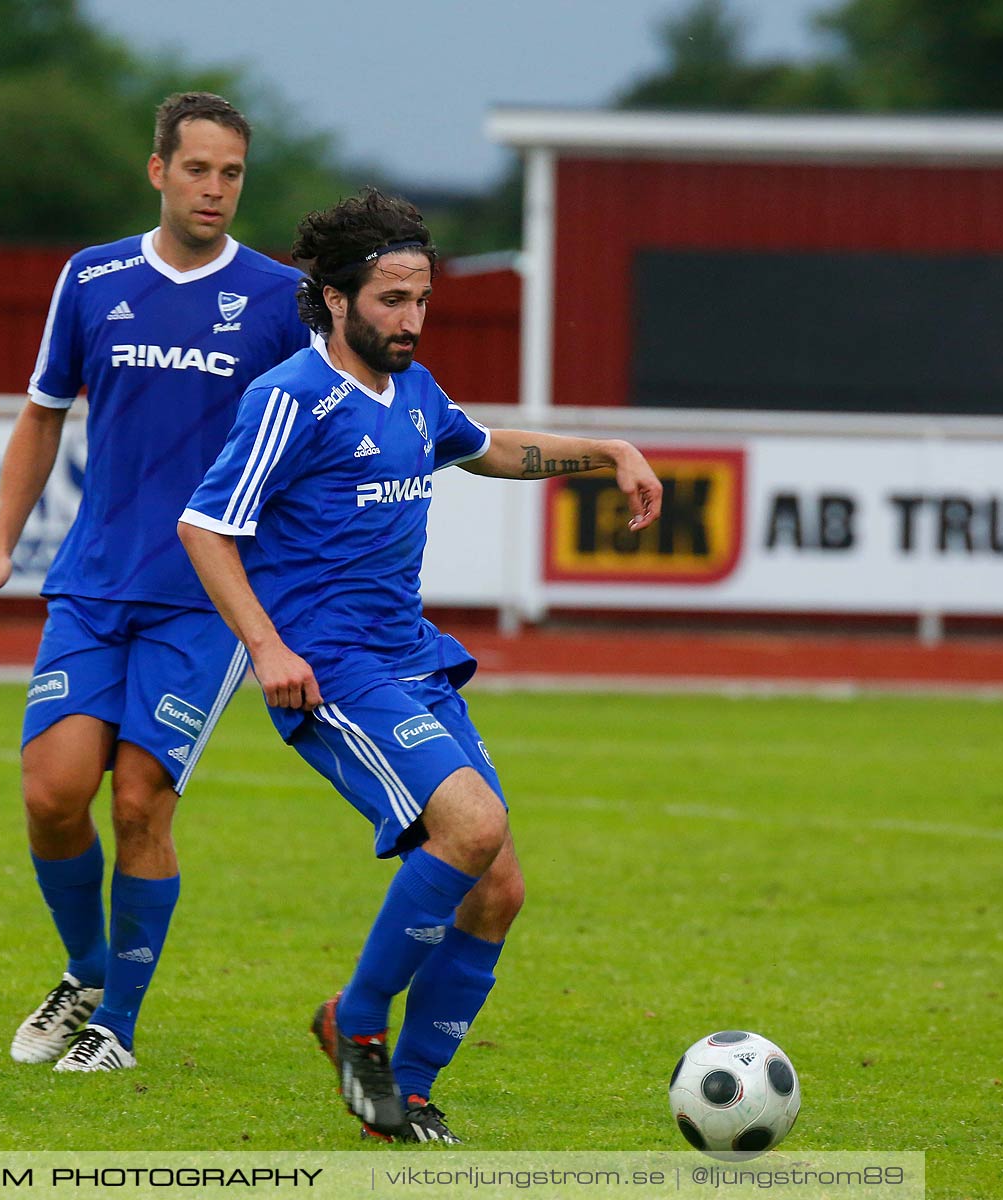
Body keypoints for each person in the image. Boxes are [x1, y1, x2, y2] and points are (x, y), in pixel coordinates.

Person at [178, 189, 662, 1140]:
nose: (410, 320)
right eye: (392, 300)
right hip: (331, 671)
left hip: (410, 659)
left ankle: (408, 1090)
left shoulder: (416, 391)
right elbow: (205, 527)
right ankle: (353, 1021)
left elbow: (488, 450)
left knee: (501, 888)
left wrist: (604, 452)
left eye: (421, 300)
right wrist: (267, 647)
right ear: (333, 297)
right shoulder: (291, 398)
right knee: (473, 824)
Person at [0, 92, 308, 1073]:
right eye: (197, 169)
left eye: (232, 173)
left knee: (141, 802)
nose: (215, 189)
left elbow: (317, 432)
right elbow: (41, 414)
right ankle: (87, 972)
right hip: (94, 581)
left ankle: (117, 1032)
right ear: (158, 171)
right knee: (51, 792)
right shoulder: (94, 277)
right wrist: (1, 548)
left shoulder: (282, 300)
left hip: (205, 595)